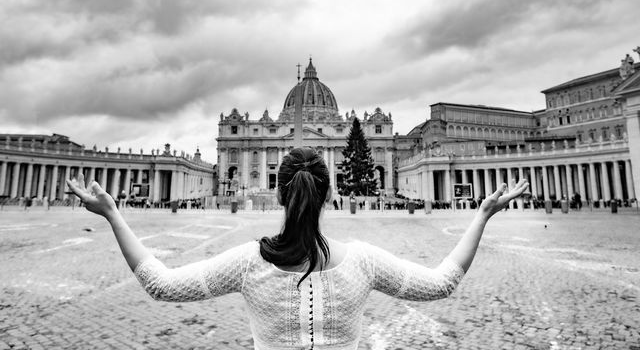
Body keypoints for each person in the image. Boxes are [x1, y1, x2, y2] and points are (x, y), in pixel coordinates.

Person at [67, 147, 528, 350]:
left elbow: (160, 284)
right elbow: (444, 281)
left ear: (284, 193)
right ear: (328, 195)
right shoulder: (363, 261)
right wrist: (482, 214)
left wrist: (113, 214)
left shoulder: (249, 262)